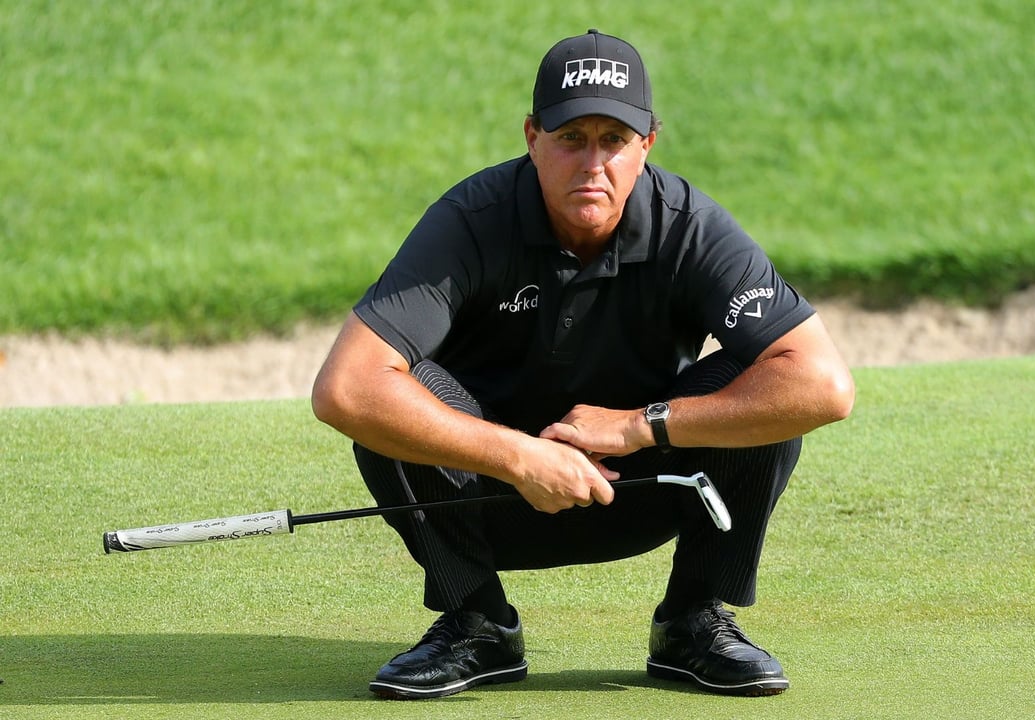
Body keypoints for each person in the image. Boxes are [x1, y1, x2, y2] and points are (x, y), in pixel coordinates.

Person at [311, 28, 854, 700]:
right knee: (395, 397)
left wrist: (638, 427)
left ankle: (694, 619)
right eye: (571, 139)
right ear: (533, 137)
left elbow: (824, 386)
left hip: (643, 489)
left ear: (647, 144)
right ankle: (478, 622)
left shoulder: (689, 226)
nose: (592, 163)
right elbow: (344, 387)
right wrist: (517, 458)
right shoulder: (471, 220)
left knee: (762, 389)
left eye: (614, 141)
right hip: (486, 494)